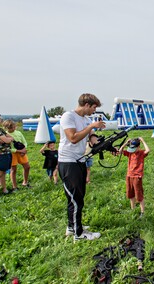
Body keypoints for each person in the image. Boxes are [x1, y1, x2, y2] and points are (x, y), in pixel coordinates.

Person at [58, 93, 106, 241]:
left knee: (77, 197)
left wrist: (95, 139)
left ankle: (72, 227)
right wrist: (91, 126)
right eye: (93, 108)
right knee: (75, 199)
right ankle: (79, 234)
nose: (94, 111)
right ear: (86, 105)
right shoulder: (68, 117)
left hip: (79, 161)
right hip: (68, 162)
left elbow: (90, 136)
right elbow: (72, 138)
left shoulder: (85, 119)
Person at [118, 137, 150, 218]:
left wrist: (142, 140)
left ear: (138, 147)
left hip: (137, 177)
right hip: (129, 175)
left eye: (134, 148)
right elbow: (120, 151)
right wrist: (126, 143)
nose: (132, 150)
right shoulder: (130, 153)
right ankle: (133, 209)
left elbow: (148, 150)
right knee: (130, 193)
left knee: (139, 195)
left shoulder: (141, 153)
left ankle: (142, 212)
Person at [3, 119, 31, 190]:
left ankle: (25, 182)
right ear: (6, 128)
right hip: (13, 154)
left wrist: (24, 149)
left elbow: (24, 141)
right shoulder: (5, 135)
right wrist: (18, 151)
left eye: (13, 127)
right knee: (13, 170)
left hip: (22, 152)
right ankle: (14, 186)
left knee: (27, 167)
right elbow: (8, 148)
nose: (12, 129)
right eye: (10, 128)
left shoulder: (18, 133)